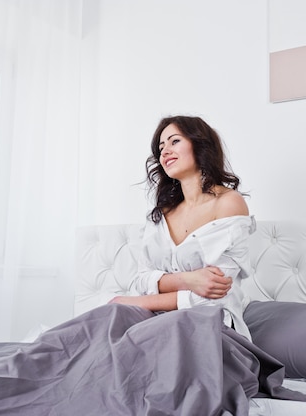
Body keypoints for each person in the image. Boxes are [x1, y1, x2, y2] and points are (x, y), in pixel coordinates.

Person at [110, 115, 256, 340]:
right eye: (161, 146)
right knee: (88, 335)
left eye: (174, 141)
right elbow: (140, 279)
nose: (165, 151)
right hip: (153, 321)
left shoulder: (228, 203)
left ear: (200, 145)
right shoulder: (161, 213)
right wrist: (188, 280)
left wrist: (138, 302)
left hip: (210, 328)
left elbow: (213, 295)